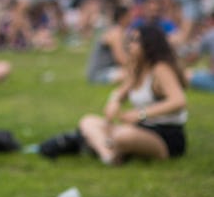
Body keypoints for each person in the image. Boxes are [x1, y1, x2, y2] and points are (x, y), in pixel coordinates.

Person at [78, 25, 188, 165]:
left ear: (149, 44)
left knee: (122, 135)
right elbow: (120, 92)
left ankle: (103, 146)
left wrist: (141, 114)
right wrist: (114, 102)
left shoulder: (160, 68)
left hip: (164, 135)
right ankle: (109, 156)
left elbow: (179, 101)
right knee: (88, 121)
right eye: (129, 40)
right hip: (140, 128)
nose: (130, 45)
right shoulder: (137, 69)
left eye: (135, 41)